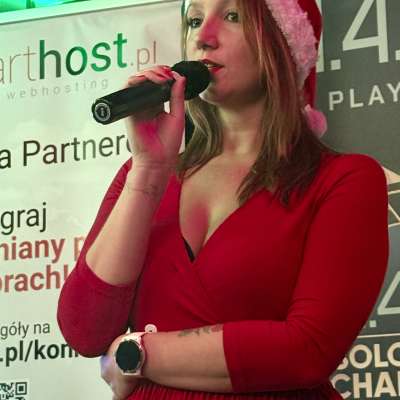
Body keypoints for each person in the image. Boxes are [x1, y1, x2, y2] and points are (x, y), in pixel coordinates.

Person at [57, 0, 389, 399]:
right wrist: (148, 172)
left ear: (284, 42)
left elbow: (307, 351)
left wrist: (138, 353)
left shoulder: (343, 180)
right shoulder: (145, 173)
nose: (203, 36)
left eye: (232, 16)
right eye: (195, 20)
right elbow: (85, 330)